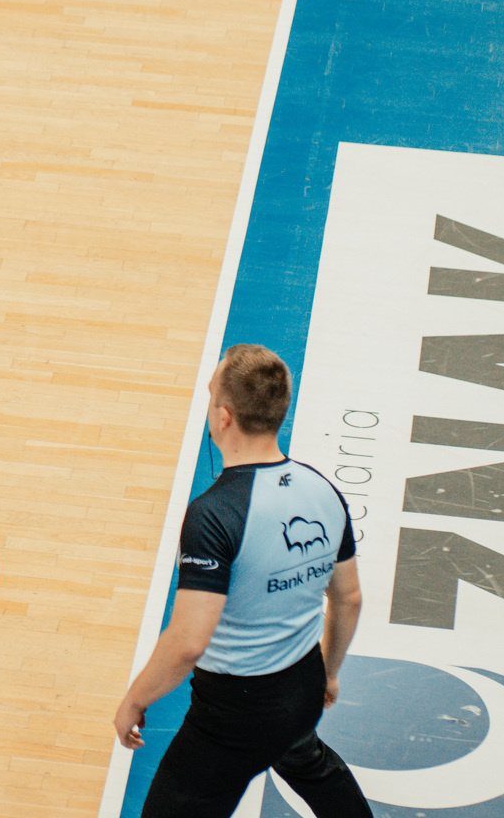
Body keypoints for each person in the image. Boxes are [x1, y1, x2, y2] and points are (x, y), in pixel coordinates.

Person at [113, 344, 373, 817]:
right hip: (302, 688)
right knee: (306, 759)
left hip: (233, 717)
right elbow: (349, 597)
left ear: (224, 416)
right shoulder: (323, 489)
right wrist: (329, 673)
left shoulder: (214, 515)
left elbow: (188, 643)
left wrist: (135, 698)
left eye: (211, 395)